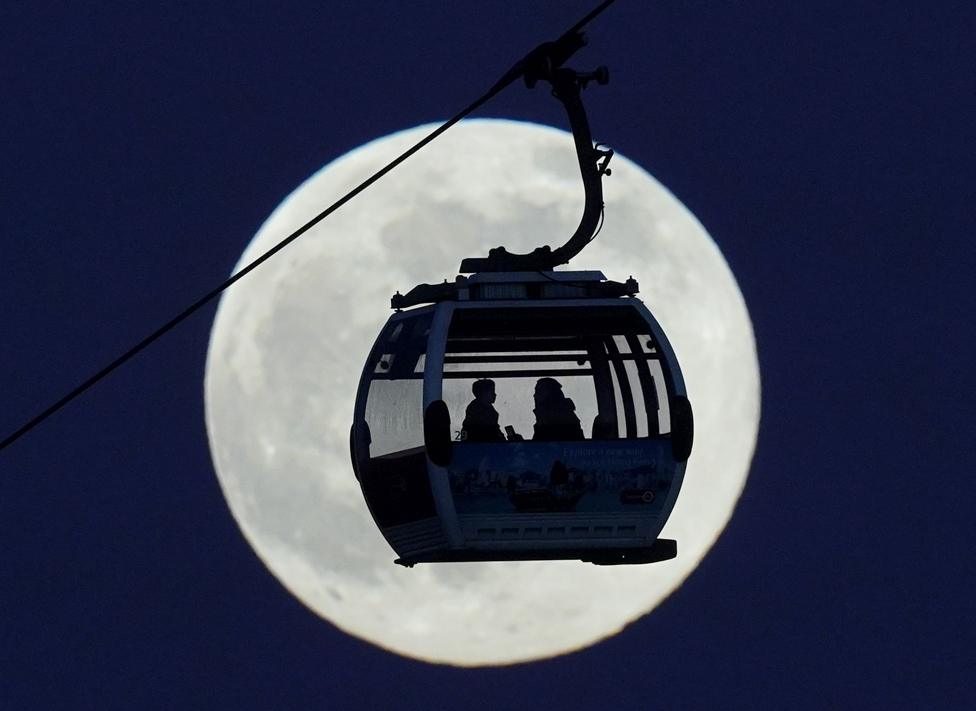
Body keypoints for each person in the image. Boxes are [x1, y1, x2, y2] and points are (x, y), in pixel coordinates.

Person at [532, 377, 585, 441]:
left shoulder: (559, 417)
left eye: (538, 392)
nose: (534, 395)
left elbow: (544, 443)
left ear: (549, 394)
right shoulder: (546, 415)